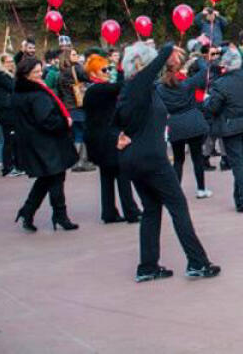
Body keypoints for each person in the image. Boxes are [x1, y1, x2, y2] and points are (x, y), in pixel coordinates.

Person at [116, 41, 220, 282]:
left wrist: (119, 136)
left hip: (135, 158)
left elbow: (116, 121)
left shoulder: (132, 90)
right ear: (142, 64)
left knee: (152, 209)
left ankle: (148, 266)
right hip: (151, 159)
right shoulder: (137, 86)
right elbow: (154, 67)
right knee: (178, 207)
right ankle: (197, 262)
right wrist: (168, 48)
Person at [12, 57, 80, 232]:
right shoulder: (36, 94)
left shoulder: (20, 92)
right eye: (35, 72)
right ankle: (60, 215)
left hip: (35, 142)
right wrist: (65, 122)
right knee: (56, 177)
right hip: (46, 143)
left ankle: (28, 211)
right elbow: (47, 120)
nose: (39, 74)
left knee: (46, 178)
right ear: (26, 74)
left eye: (40, 70)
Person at [81, 54, 141, 222]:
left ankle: (109, 212)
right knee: (122, 174)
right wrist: (132, 70)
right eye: (104, 69)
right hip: (106, 138)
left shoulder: (95, 90)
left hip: (99, 138)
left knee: (107, 176)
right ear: (93, 74)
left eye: (109, 69)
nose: (107, 72)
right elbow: (122, 86)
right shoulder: (97, 89)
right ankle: (131, 211)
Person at [204, 47, 243, 213]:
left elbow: (212, 108)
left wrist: (206, 101)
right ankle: (240, 199)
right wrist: (236, 51)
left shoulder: (221, 84)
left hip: (232, 127)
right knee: (241, 162)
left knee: (238, 165)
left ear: (225, 65)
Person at [157, 50, 211, 199]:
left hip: (175, 124)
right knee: (197, 157)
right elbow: (205, 70)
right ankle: (201, 189)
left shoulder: (160, 88)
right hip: (193, 122)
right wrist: (197, 58)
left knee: (178, 160)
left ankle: (176, 191)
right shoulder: (187, 84)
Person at [49, 44, 95, 173]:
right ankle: (81, 161)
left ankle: (74, 161)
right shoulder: (76, 69)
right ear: (68, 57)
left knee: (76, 135)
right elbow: (90, 78)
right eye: (74, 54)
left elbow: (59, 91)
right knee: (83, 134)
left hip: (68, 107)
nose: (77, 57)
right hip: (79, 105)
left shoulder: (61, 72)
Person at [0, 53, 21, 176]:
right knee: (8, 140)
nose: (10, 64)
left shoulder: (10, 75)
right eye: (7, 62)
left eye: (11, 61)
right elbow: (13, 87)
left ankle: (15, 165)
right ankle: (7, 168)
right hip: (6, 112)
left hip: (12, 111)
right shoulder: (1, 75)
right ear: (2, 63)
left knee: (14, 139)